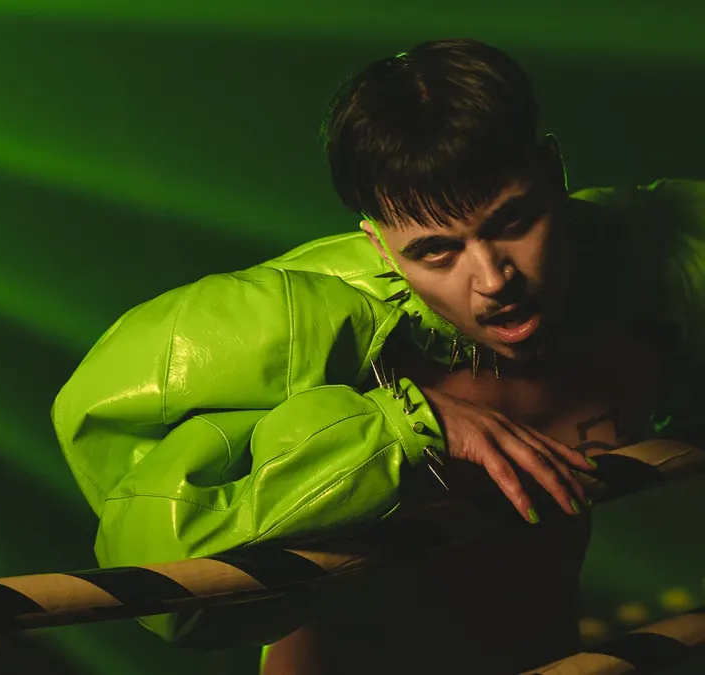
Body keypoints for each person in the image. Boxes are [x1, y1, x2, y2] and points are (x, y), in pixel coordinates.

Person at [51, 38, 705, 674]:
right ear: (380, 244)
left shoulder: (649, 270)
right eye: (437, 251)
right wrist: (401, 427)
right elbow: (159, 570)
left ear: (554, 171)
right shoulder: (315, 333)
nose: (493, 280)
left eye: (513, 221)